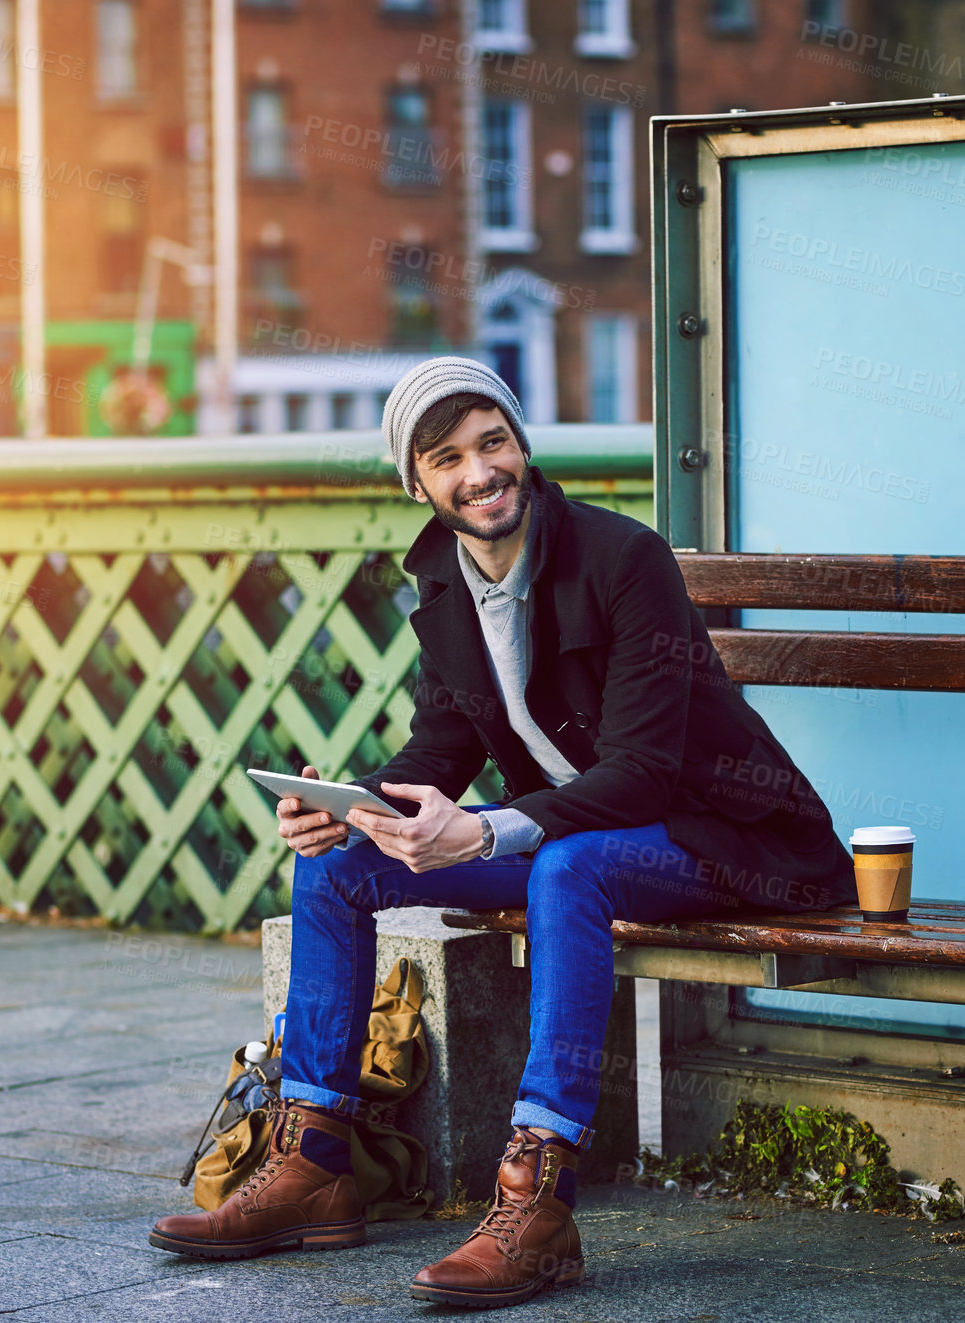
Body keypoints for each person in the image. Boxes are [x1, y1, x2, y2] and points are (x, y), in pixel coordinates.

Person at [147, 357, 856, 1309]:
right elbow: (437, 751)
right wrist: (351, 807)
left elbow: (642, 771)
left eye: (493, 442)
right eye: (448, 457)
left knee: (564, 866)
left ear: (522, 446)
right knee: (340, 872)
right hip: (579, 843)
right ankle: (315, 1159)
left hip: (724, 838)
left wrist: (482, 839)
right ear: (420, 484)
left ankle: (538, 1194)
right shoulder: (441, 590)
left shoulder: (622, 558)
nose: (480, 472)